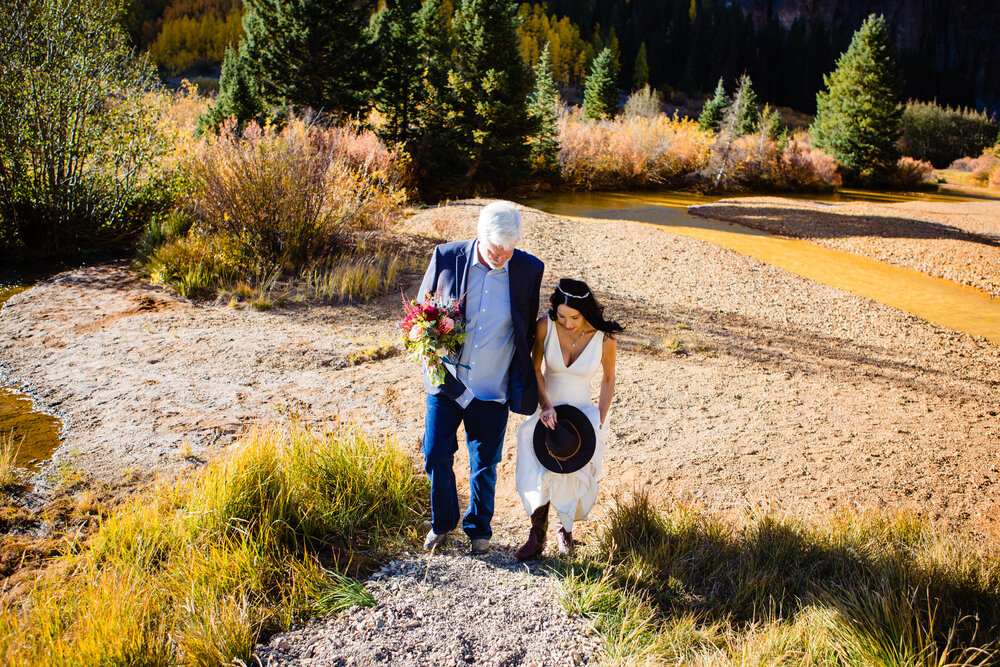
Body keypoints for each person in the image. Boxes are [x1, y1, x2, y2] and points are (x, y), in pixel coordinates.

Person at [417, 201, 544, 555]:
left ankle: (479, 530)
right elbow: (419, 319)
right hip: (447, 383)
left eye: (508, 250)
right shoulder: (446, 257)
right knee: (435, 455)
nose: (501, 257)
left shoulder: (529, 270)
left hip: (493, 389)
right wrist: (432, 357)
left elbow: (526, 328)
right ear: (479, 235)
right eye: (494, 250)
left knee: (485, 465)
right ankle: (442, 523)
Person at [514, 278, 622, 560]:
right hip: (547, 407)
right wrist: (546, 405)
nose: (568, 323)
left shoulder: (605, 339)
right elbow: (535, 370)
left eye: (574, 317)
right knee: (538, 467)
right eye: (562, 316)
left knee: (571, 471)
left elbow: (609, 379)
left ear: (585, 311)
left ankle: (566, 531)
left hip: (581, 413)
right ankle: (537, 536)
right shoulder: (545, 327)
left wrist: (599, 417)